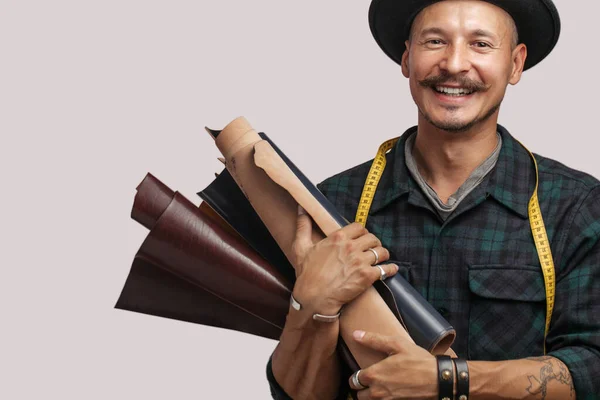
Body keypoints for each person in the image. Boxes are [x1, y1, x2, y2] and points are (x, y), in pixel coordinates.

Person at [267, 0, 600, 399]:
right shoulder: (333, 204)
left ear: (515, 64)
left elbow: (593, 366)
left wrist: (449, 379)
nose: (455, 63)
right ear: (407, 59)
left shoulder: (575, 208)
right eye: (435, 41)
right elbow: (294, 393)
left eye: (480, 44)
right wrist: (311, 302)